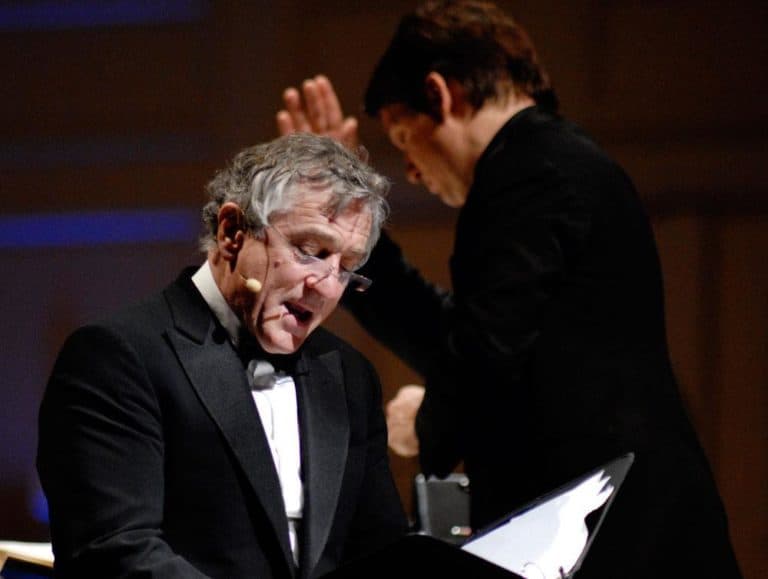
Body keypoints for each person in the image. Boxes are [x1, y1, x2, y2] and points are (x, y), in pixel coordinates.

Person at [276, 1, 742, 576]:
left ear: (440, 94)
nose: (412, 171)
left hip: (620, 535)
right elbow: (472, 339)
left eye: (402, 136)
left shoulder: (528, 171)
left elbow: (484, 358)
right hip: (627, 525)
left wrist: (426, 421)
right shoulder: (549, 162)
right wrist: (347, 229)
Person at [36, 133, 408, 578]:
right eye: (311, 252)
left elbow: (382, 551)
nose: (328, 288)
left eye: (346, 269)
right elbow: (115, 551)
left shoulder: (350, 375)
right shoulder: (117, 357)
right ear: (232, 232)